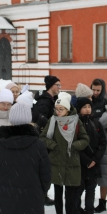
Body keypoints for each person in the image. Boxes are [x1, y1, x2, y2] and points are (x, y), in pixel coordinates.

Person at [40, 92, 89, 214]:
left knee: (71, 195)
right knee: (58, 193)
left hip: (72, 162)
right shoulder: (53, 121)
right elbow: (42, 138)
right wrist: (54, 145)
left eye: (61, 109)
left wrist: (76, 145)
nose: (58, 111)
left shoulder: (76, 121)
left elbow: (85, 138)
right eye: (57, 109)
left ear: (67, 109)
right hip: (56, 162)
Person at [73, 97, 106, 214]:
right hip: (80, 163)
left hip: (93, 163)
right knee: (78, 190)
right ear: (79, 109)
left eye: (89, 107)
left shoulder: (96, 123)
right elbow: (73, 144)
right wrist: (85, 160)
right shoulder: (75, 124)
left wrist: (95, 159)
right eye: (84, 107)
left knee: (91, 189)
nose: (87, 110)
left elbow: (103, 142)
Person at [33, 75, 61, 206]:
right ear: (51, 86)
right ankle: (42, 194)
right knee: (45, 167)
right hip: (44, 139)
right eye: (58, 85)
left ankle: (43, 194)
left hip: (48, 137)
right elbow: (40, 118)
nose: (59, 87)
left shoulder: (52, 99)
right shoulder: (45, 101)